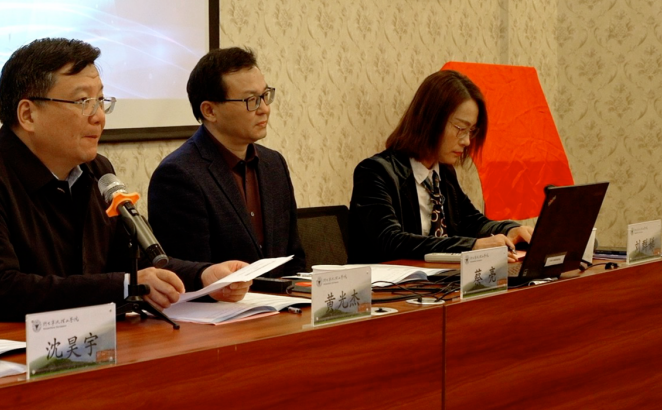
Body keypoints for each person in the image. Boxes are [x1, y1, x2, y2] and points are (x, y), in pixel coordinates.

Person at [0, 38, 250, 329]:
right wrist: (124, 286)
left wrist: (204, 276)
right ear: (28, 114)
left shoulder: (97, 171)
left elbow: (135, 263)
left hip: (83, 342)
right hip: (0, 350)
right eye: (83, 101)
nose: (99, 116)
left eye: (100, 100)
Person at [148, 47, 307, 277]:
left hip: (280, 299)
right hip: (222, 299)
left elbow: (294, 258)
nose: (264, 109)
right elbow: (188, 275)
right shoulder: (178, 175)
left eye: (265, 96)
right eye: (251, 100)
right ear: (210, 111)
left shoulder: (274, 164)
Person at [348, 70, 533, 264]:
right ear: (430, 120)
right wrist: (472, 246)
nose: (467, 141)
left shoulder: (443, 173)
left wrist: (510, 230)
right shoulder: (375, 172)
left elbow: (471, 221)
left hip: (437, 279)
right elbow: (391, 241)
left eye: (471, 131)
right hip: (384, 281)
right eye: (460, 128)